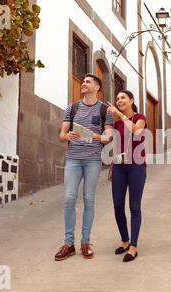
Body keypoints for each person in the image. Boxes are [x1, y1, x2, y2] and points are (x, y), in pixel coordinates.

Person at [55, 74, 114, 261]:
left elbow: (109, 137)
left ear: (97, 88)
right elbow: (61, 135)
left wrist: (94, 136)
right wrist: (68, 136)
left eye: (88, 82)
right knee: (69, 199)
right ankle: (68, 243)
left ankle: (85, 242)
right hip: (73, 159)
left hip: (93, 160)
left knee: (89, 199)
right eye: (83, 82)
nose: (83, 84)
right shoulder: (71, 108)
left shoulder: (105, 110)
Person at [107, 90, 147, 262]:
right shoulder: (117, 125)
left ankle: (133, 246)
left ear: (131, 100)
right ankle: (125, 241)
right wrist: (111, 168)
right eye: (117, 99)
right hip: (119, 166)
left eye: (123, 97)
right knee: (117, 206)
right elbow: (116, 146)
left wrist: (121, 116)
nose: (119, 100)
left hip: (136, 166)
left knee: (134, 207)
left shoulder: (140, 117)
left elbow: (137, 132)